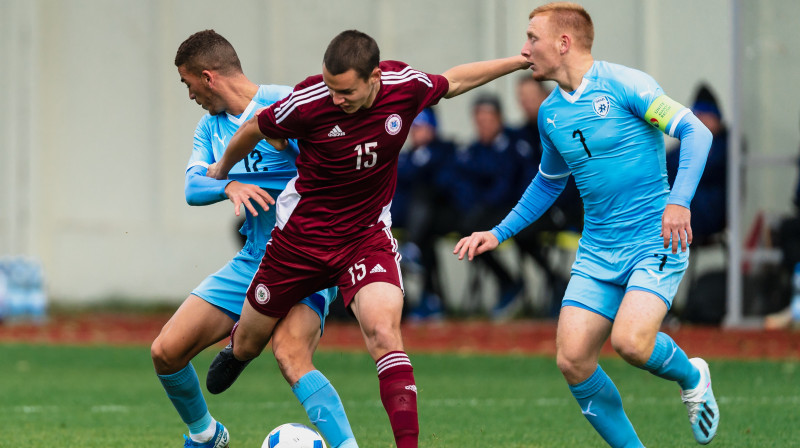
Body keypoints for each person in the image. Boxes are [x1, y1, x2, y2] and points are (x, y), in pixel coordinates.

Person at [204, 29, 529, 448]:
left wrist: (518, 62)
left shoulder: (404, 86)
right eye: (330, 87)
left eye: (345, 91)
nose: (335, 98)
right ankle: (238, 351)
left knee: (383, 333)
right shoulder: (310, 100)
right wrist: (222, 167)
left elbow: (456, 80)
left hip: (365, 237)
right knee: (250, 342)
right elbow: (254, 127)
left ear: (374, 76)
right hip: (300, 240)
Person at [454, 3, 719, 446]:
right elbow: (547, 184)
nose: (525, 49)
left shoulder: (626, 85)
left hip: (655, 238)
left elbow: (698, 132)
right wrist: (496, 233)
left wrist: (679, 202)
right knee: (573, 360)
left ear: (563, 43)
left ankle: (693, 375)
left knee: (632, 344)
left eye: (532, 38)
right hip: (597, 250)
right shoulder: (551, 114)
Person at [151, 30, 357, 448]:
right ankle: (206, 434)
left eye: (187, 83)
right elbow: (193, 188)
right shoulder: (209, 129)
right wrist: (228, 187)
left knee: (291, 355)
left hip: (307, 261)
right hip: (253, 261)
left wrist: (297, 149)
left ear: (207, 77)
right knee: (166, 351)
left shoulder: (287, 103)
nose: (189, 95)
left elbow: (338, 163)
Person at [393, 107, 457, 320]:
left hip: (442, 216)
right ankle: (428, 299)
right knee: (423, 243)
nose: (416, 133)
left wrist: (421, 165)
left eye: (421, 128)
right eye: (414, 128)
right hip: (407, 222)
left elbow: (443, 185)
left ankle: (430, 298)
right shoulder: (407, 156)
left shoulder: (445, 150)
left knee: (425, 231)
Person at [667, 84, 728, 244]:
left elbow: (704, 169)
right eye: (697, 115)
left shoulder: (727, 145)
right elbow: (667, 163)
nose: (700, 120)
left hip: (712, 213)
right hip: (686, 210)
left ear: (716, 118)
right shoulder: (689, 144)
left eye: (704, 115)